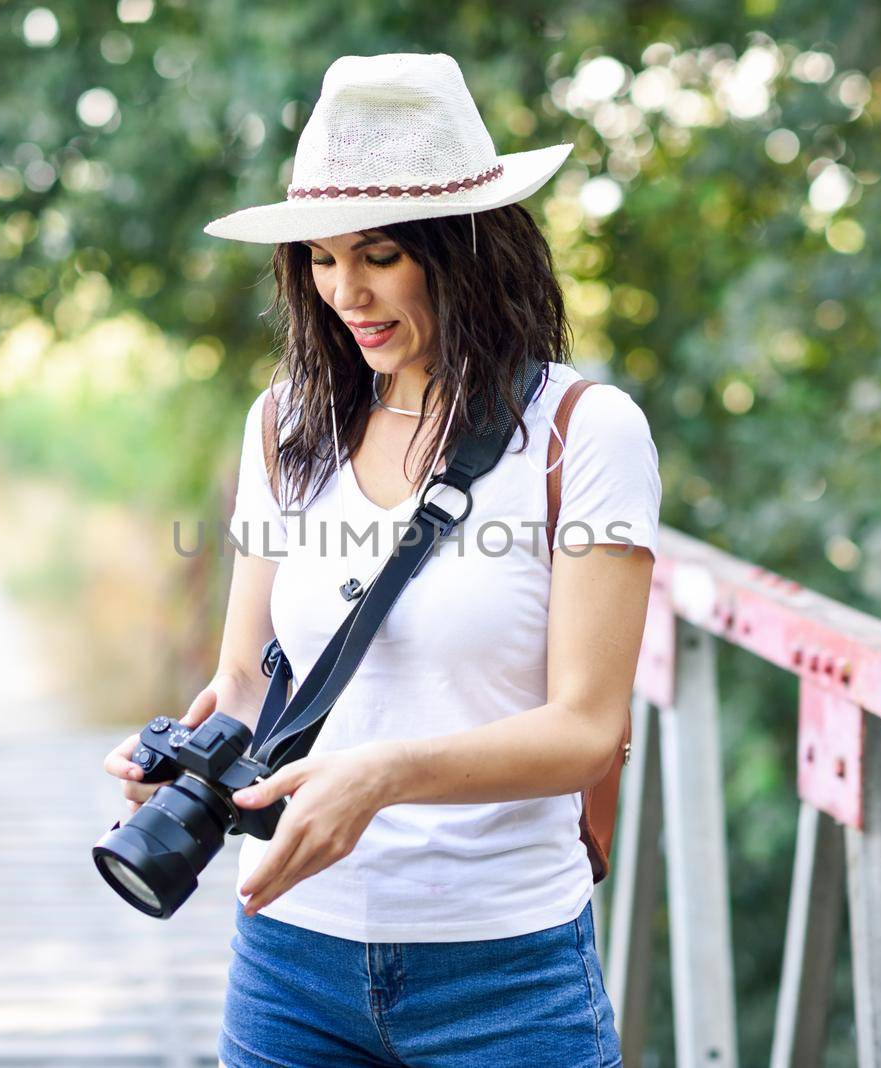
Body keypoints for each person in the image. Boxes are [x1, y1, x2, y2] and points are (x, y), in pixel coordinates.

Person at [104, 53, 660, 1067]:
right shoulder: (284, 423)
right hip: (290, 960)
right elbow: (242, 680)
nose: (344, 292)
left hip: (505, 971)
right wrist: (173, 770)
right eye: (318, 258)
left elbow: (588, 731)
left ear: (466, 251)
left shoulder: (584, 433)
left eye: (380, 255)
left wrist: (384, 777)